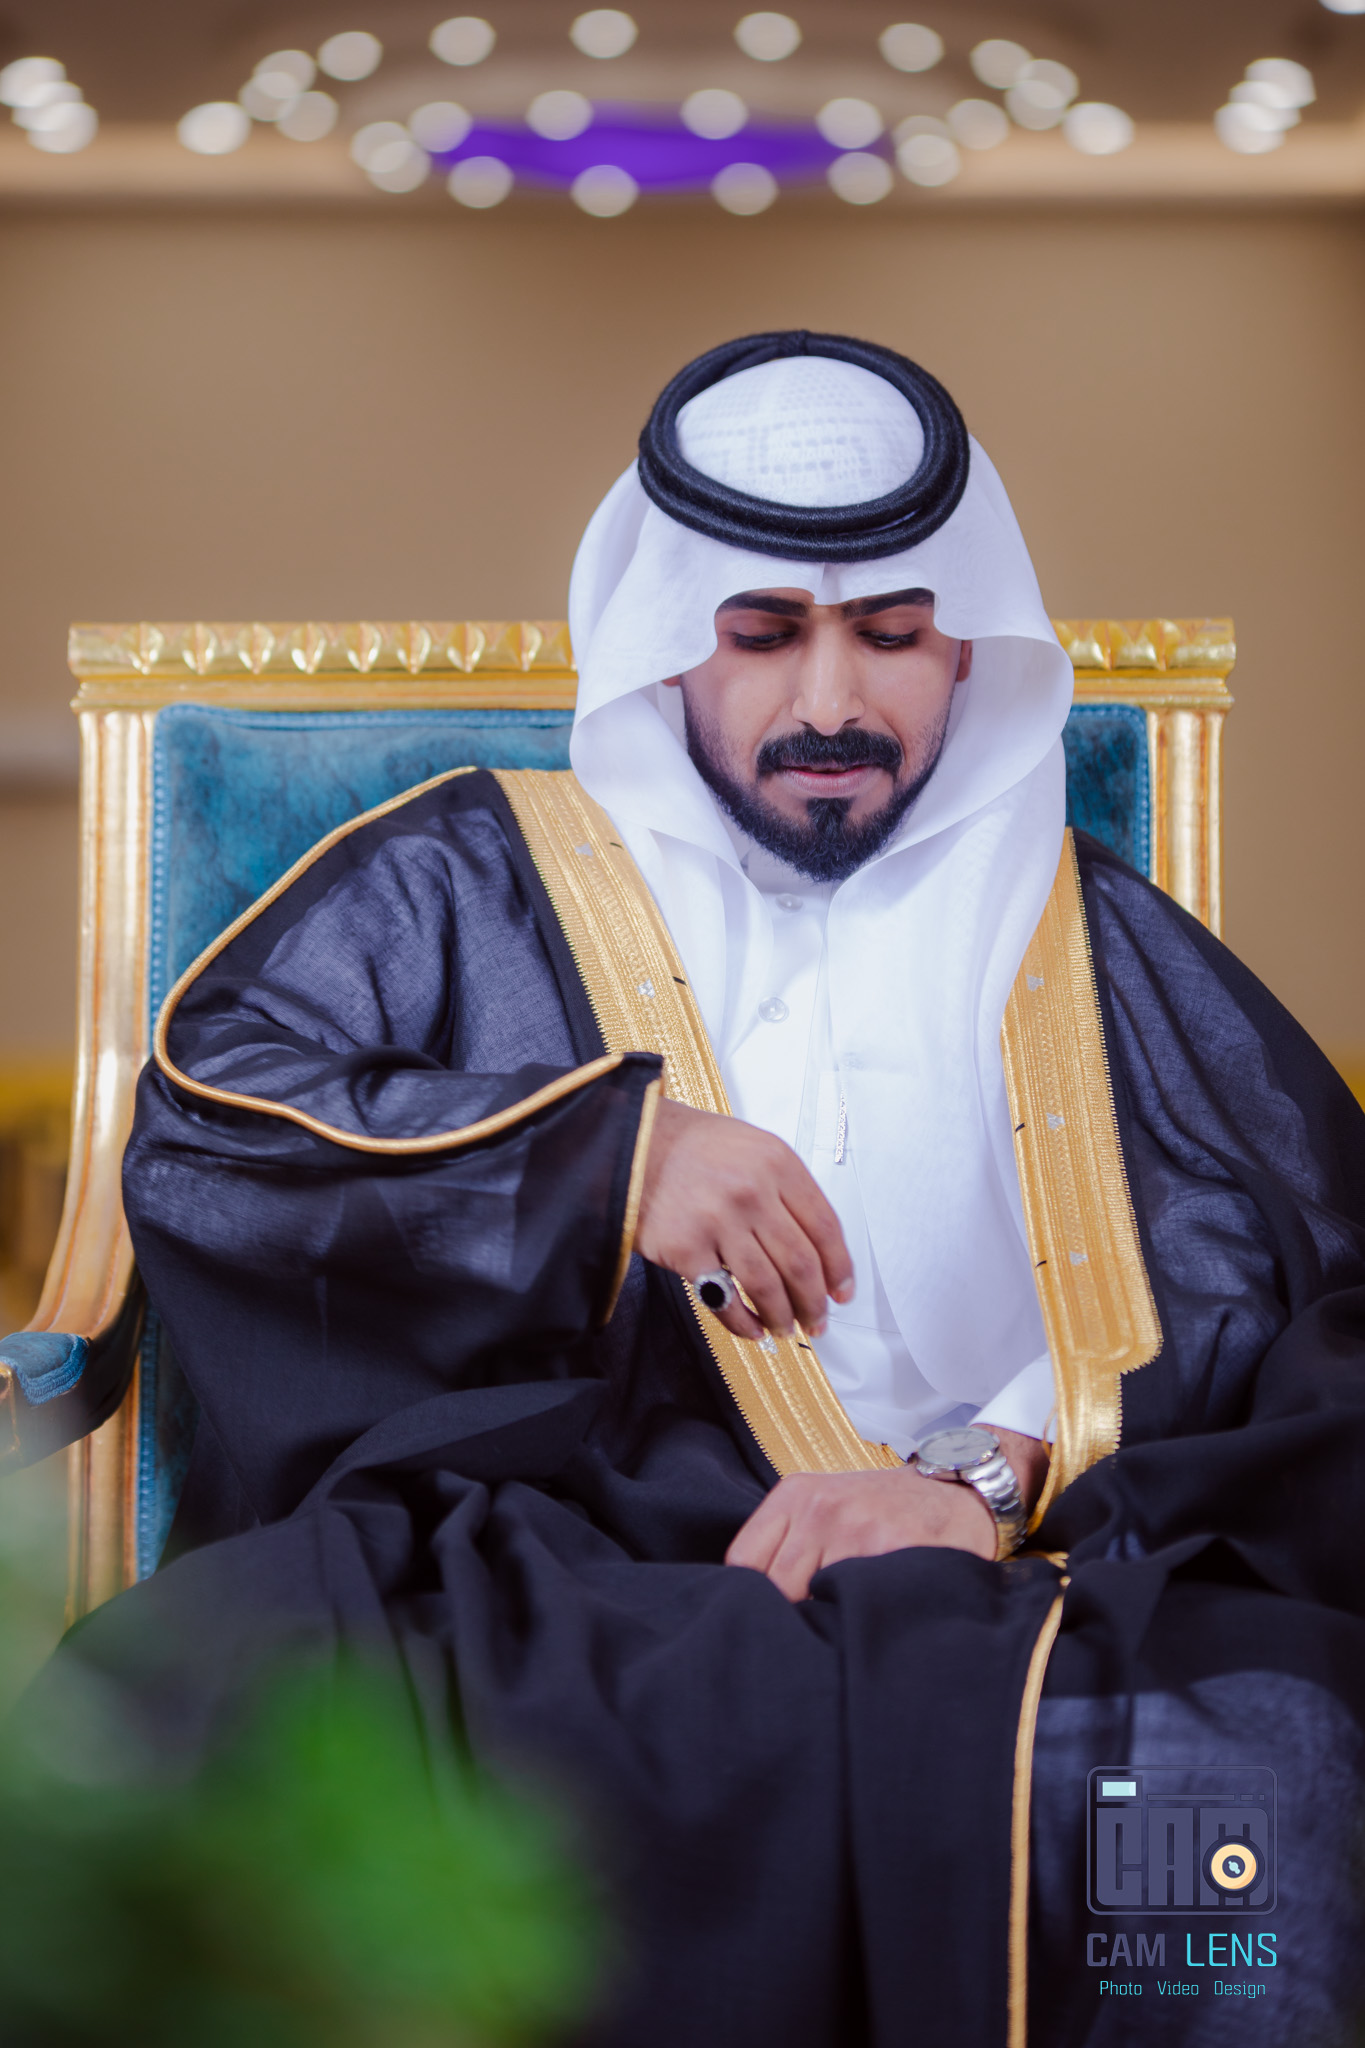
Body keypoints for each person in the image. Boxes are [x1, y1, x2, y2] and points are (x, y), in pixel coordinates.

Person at [43, 334, 1365, 2044]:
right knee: (208, 1700)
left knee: (1264, 1753)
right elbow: (220, 1130)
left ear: (967, 647)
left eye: (892, 633)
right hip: (553, 1547)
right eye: (760, 635)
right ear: (672, 641)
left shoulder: (1089, 930)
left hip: (1008, 1572)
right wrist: (602, 1160)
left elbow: (1300, 1275)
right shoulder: (470, 874)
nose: (828, 703)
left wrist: (998, 1469)